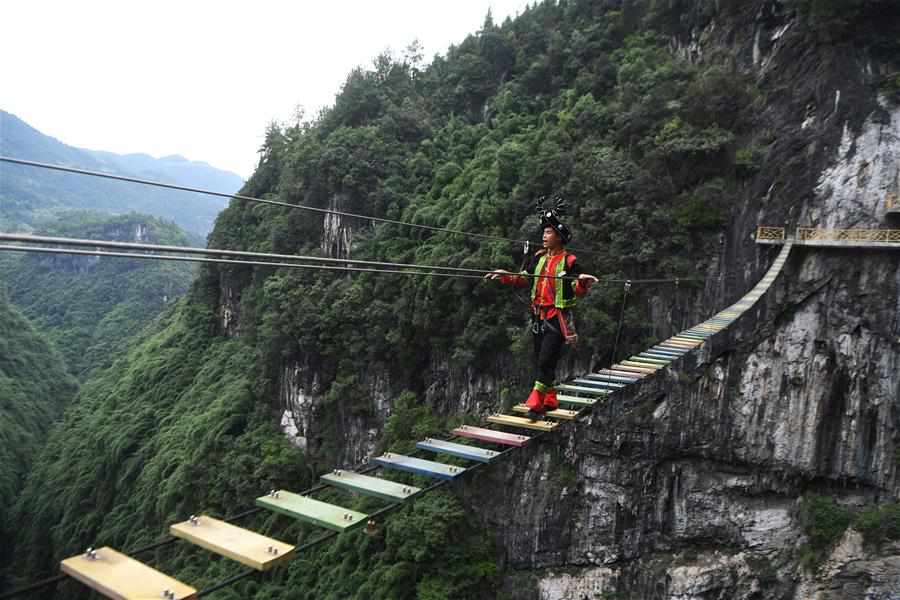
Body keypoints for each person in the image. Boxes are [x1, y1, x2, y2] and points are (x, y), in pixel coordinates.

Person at [485, 207, 599, 418]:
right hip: (538, 316)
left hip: (558, 316)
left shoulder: (570, 261)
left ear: (559, 237)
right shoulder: (538, 258)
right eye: (544, 232)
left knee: (545, 359)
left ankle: (536, 402)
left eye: (548, 233)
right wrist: (505, 275)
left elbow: (575, 285)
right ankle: (550, 398)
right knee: (541, 357)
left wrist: (582, 281)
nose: (544, 236)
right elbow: (524, 278)